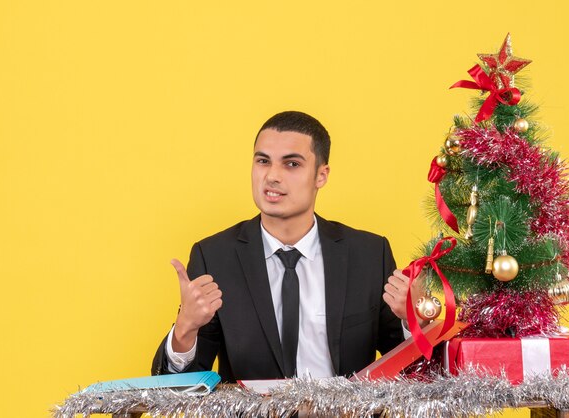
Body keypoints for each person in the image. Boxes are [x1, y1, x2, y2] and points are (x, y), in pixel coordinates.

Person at [152, 111, 418, 382]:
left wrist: (413, 320)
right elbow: (180, 387)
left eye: (291, 164)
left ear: (321, 176)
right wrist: (186, 327)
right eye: (263, 161)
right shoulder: (214, 257)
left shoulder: (369, 254)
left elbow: (409, 371)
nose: (272, 176)